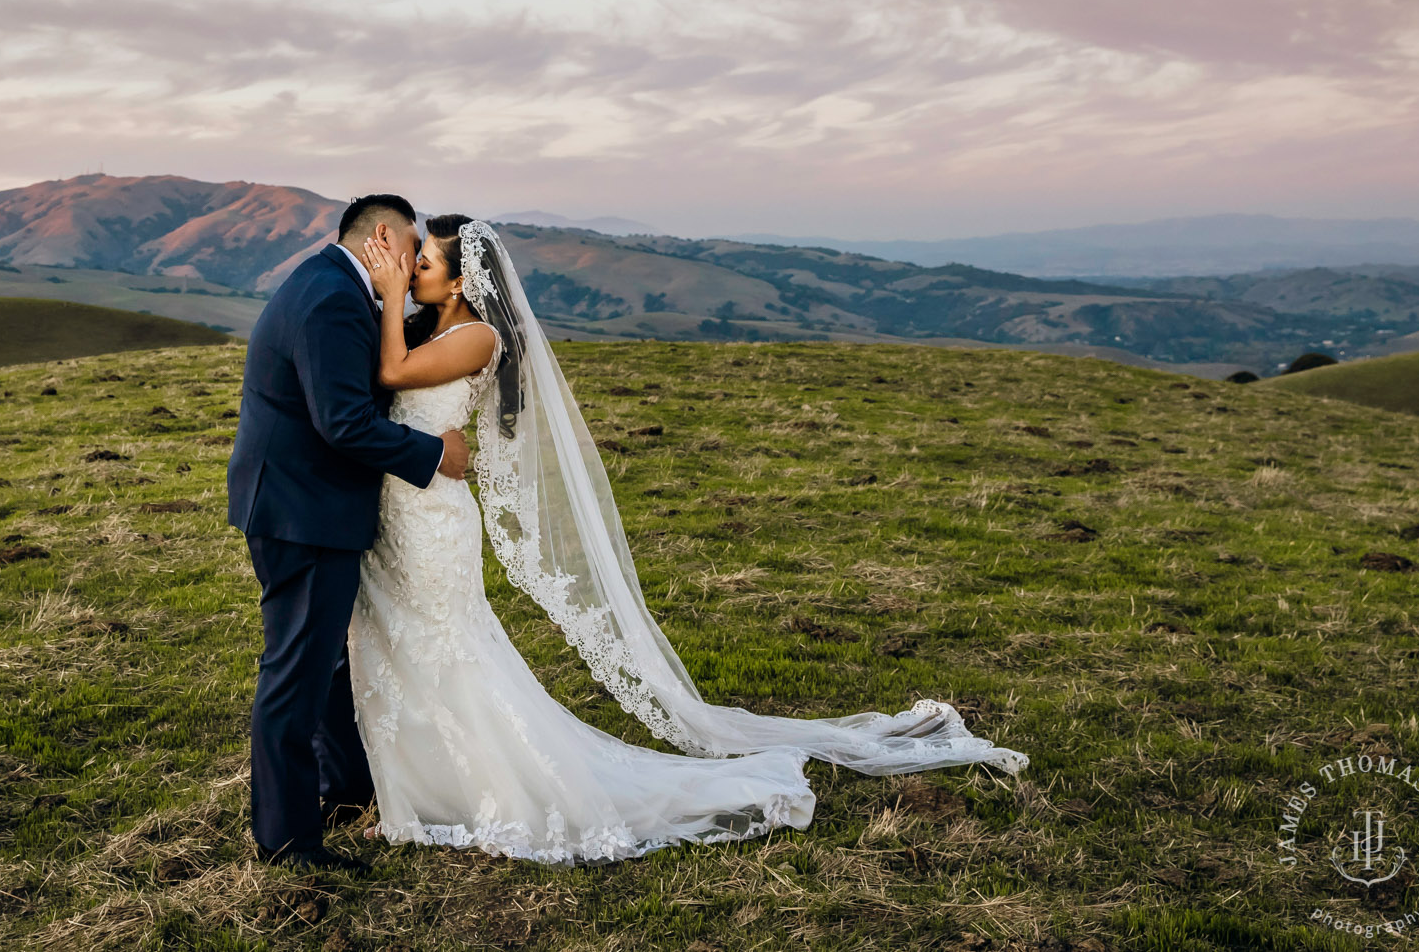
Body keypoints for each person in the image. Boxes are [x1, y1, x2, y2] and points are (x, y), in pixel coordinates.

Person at [346, 216, 1029, 865]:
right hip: (404, 515)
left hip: (433, 523)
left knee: (451, 655)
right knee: (406, 654)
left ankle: (477, 791)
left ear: (462, 280)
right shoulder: (438, 330)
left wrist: (393, 291)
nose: (412, 269)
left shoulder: (478, 337)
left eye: (425, 261)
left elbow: (394, 376)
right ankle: (418, 792)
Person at [225, 193, 470, 874]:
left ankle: (346, 789)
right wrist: (432, 455)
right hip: (303, 513)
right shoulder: (333, 297)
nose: (417, 261)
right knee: (296, 675)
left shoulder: (329, 282)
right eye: (413, 247)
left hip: (299, 504)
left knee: (328, 662)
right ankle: (288, 841)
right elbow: (343, 422)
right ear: (384, 237)